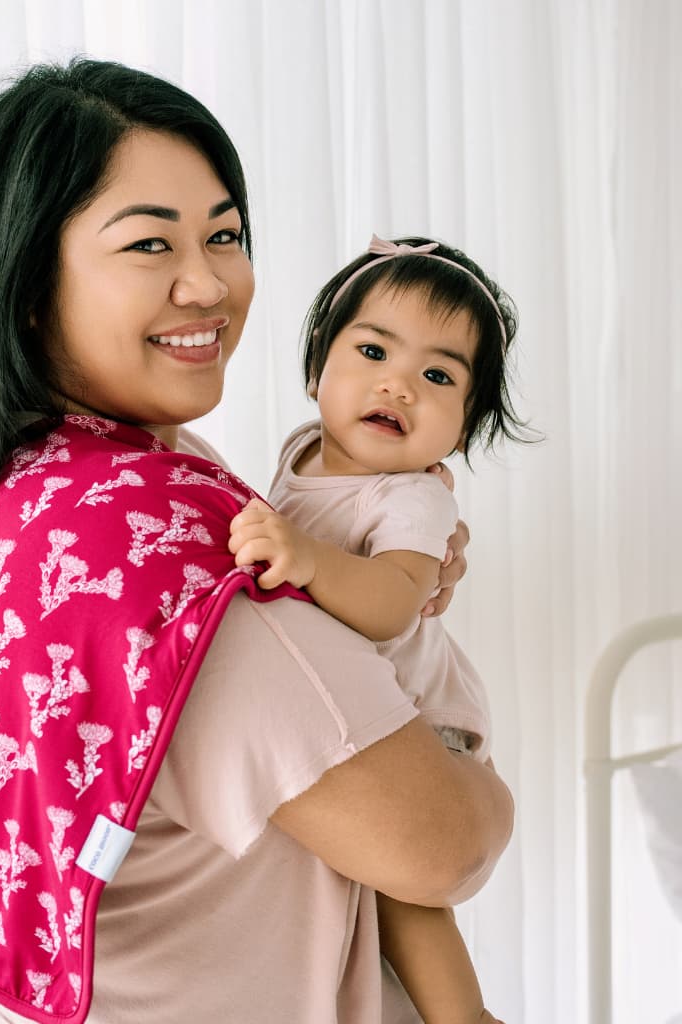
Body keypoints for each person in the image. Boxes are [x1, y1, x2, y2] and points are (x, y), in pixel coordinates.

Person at [0, 59, 514, 1024]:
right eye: (150, 244)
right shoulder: (167, 565)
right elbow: (438, 847)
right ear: (25, 281)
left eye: (225, 234)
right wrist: (481, 787)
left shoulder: (21, 489)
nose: (209, 282)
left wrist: (373, 576)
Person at [229, 234, 530, 1023]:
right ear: (316, 371)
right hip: (361, 711)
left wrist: (306, 559)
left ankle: (467, 1017)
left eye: (437, 376)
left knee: (403, 891)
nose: (398, 385)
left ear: (460, 431)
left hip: (426, 718)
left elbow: (396, 599)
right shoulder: (301, 455)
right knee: (352, 883)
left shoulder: (414, 498)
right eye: (372, 351)